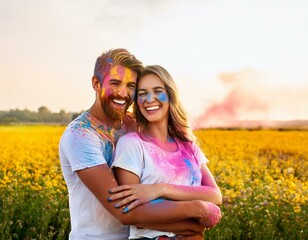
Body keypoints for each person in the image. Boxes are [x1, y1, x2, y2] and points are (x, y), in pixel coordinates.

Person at [59, 49, 221, 240]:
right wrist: (196, 216)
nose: (123, 93)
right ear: (96, 83)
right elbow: (125, 211)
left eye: (131, 86)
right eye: (115, 83)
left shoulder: (133, 125)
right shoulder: (81, 135)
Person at [109, 65, 222, 240]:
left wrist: (160, 189)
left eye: (157, 91)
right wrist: (197, 216)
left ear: (170, 95)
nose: (149, 99)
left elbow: (215, 195)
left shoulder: (188, 146)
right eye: (142, 93)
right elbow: (131, 213)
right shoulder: (131, 145)